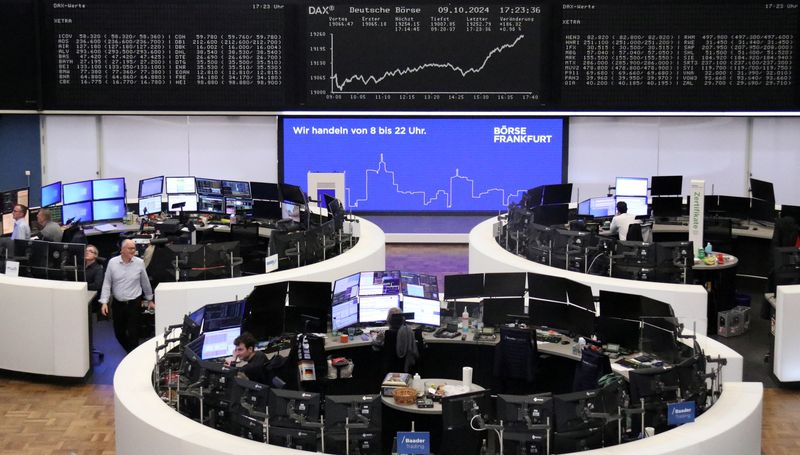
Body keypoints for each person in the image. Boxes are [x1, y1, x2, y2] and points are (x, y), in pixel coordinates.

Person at [99, 239, 154, 353]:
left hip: (134, 302)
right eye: (130, 248)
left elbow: (145, 282)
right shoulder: (112, 262)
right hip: (118, 303)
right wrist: (104, 301)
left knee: (134, 333)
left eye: (134, 248)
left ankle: (133, 354)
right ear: (122, 250)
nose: (133, 251)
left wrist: (150, 300)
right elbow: (107, 282)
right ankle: (130, 352)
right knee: (118, 332)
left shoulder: (139, 262)